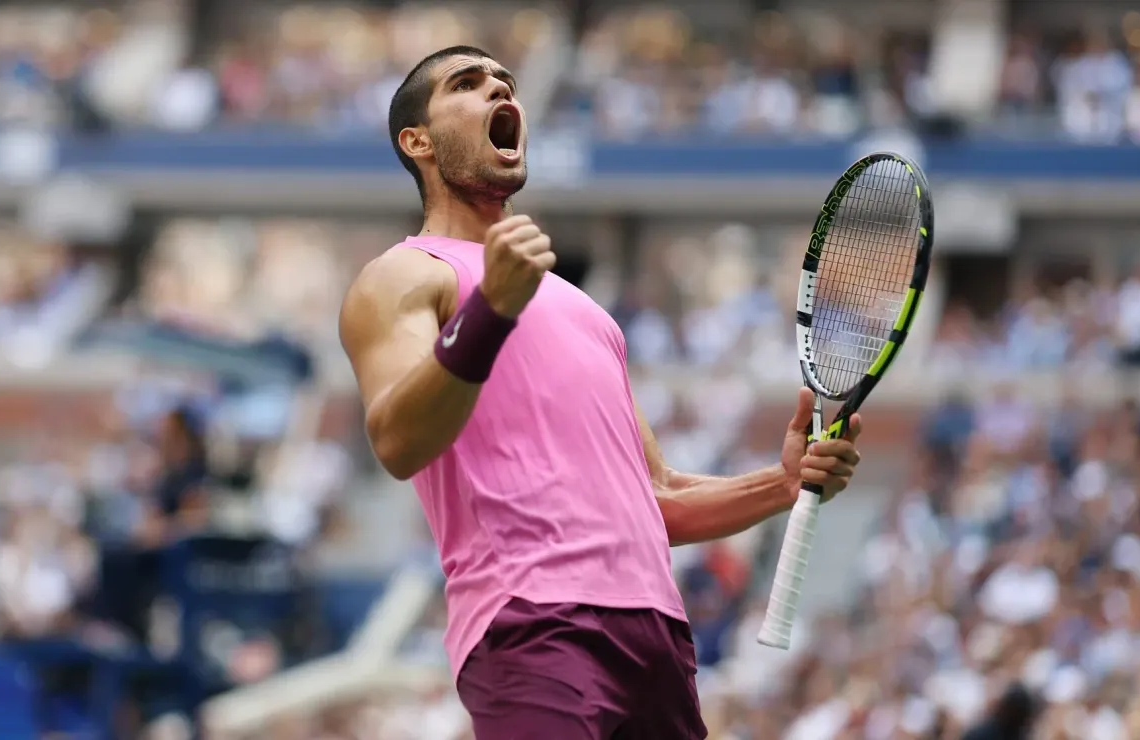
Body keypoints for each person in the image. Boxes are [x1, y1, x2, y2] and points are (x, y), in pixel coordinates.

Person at [339, 45, 864, 739]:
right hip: (533, 622)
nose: (501, 91)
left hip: (658, 640)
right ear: (418, 141)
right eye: (469, 85)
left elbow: (657, 498)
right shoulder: (405, 275)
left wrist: (782, 483)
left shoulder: (584, 312)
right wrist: (489, 311)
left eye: (507, 83)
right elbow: (398, 440)